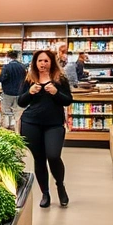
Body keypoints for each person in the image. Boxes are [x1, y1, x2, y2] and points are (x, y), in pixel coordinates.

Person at [18, 50, 73, 208]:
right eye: (40, 61)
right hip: (31, 123)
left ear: (52, 62)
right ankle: (45, 193)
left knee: (53, 156)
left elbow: (68, 100)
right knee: (39, 159)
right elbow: (21, 102)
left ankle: (60, 185)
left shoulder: (60, 79)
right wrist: (29, 92)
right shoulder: (29, 79)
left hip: (54, 124)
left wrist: (56, 93)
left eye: (46, 61)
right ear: (35, 63)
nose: (43, 63)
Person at [0, 50, 27, 130]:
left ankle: (7, 128)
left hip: (8, 92)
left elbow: (2, 78)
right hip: (19, 93)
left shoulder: (6, 67)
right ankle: (16, 128)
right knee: (17, 113)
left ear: (8, 56)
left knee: (6, 112)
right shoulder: (22, 67)